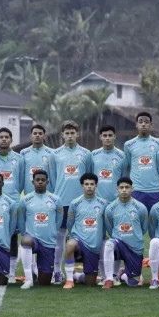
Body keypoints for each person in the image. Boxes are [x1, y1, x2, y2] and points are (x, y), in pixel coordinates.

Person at [51, 120, 94, 283]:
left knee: (85, 236)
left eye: (72, 133)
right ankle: (57, 271)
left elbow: (89, 177)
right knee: (59, 239)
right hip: (62, 202)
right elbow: (53, 179)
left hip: (81, 203)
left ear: (78, 134)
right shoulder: (55, 154)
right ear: (62, 135)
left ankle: (88, 270)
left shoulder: (86, 154)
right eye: (67, 133)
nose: (69, 136)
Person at [14, 169, 64, 289]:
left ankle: (40, 273)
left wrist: (51, 231)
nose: (40, 182)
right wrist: (25, 234)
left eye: (43, 180)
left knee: (44, 283)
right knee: (26, 241)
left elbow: (59, 220)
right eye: (37, 180)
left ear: (47, 182)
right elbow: (21, 220)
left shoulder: (56, 199)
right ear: (33, 182)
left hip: (48, 242)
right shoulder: (25, 200)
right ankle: (29, 279)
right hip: (33, 239)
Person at [63, 173, 109, 289]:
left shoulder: (104, 203)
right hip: (79, 241)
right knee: (70, 244)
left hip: (94, 246)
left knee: (90, 283)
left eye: (92, 184)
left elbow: (106, 224)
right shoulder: (74, 203)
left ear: (96, 186)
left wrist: (101, 237)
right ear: (82, 186)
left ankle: (77, 276)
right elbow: (70, 223)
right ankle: (69, 280)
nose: (89, 187)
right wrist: (72, 236)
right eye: (86, 184)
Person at [103, 177, 150, 288]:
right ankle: (109, 279)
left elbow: (144, 228)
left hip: (135, 247)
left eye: (127, 187)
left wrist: (134, 236)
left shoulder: (141, 207)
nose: (124, 190)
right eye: (121, 187)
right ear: (117, 189)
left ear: (132, 189)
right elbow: (110, 228)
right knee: (109, 244)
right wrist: (118, 237)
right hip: (118, 243)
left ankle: (123, 275)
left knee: (134, 283)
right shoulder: (110, 208)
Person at [124, 111, 159, 208]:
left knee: (155, 217)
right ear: (136, 124)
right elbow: (128, 166)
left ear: (151, 125)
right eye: (140, 122)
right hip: (136, 190)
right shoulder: (128, 144)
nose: (143, 124)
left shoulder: (158, 143)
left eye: (146, 122)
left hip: (155, 190)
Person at [91, 125, 128, 203]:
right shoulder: (93, 154)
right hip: (97, 201)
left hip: (116, 201)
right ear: (100, 137)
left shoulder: (122, 156)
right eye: (105, 135)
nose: (107, 138)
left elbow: (125, 178)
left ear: (114, 136)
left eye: (110, 135)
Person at [20, 124, 56, 196]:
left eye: (40, 133)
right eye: (35, 133)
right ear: (31, 136)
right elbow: (21, 175)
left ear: (44, 136)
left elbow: (54, 175)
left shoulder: (52, 153)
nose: (37, 135)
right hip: (29, 194)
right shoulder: (23, 153)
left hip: (47, 194)